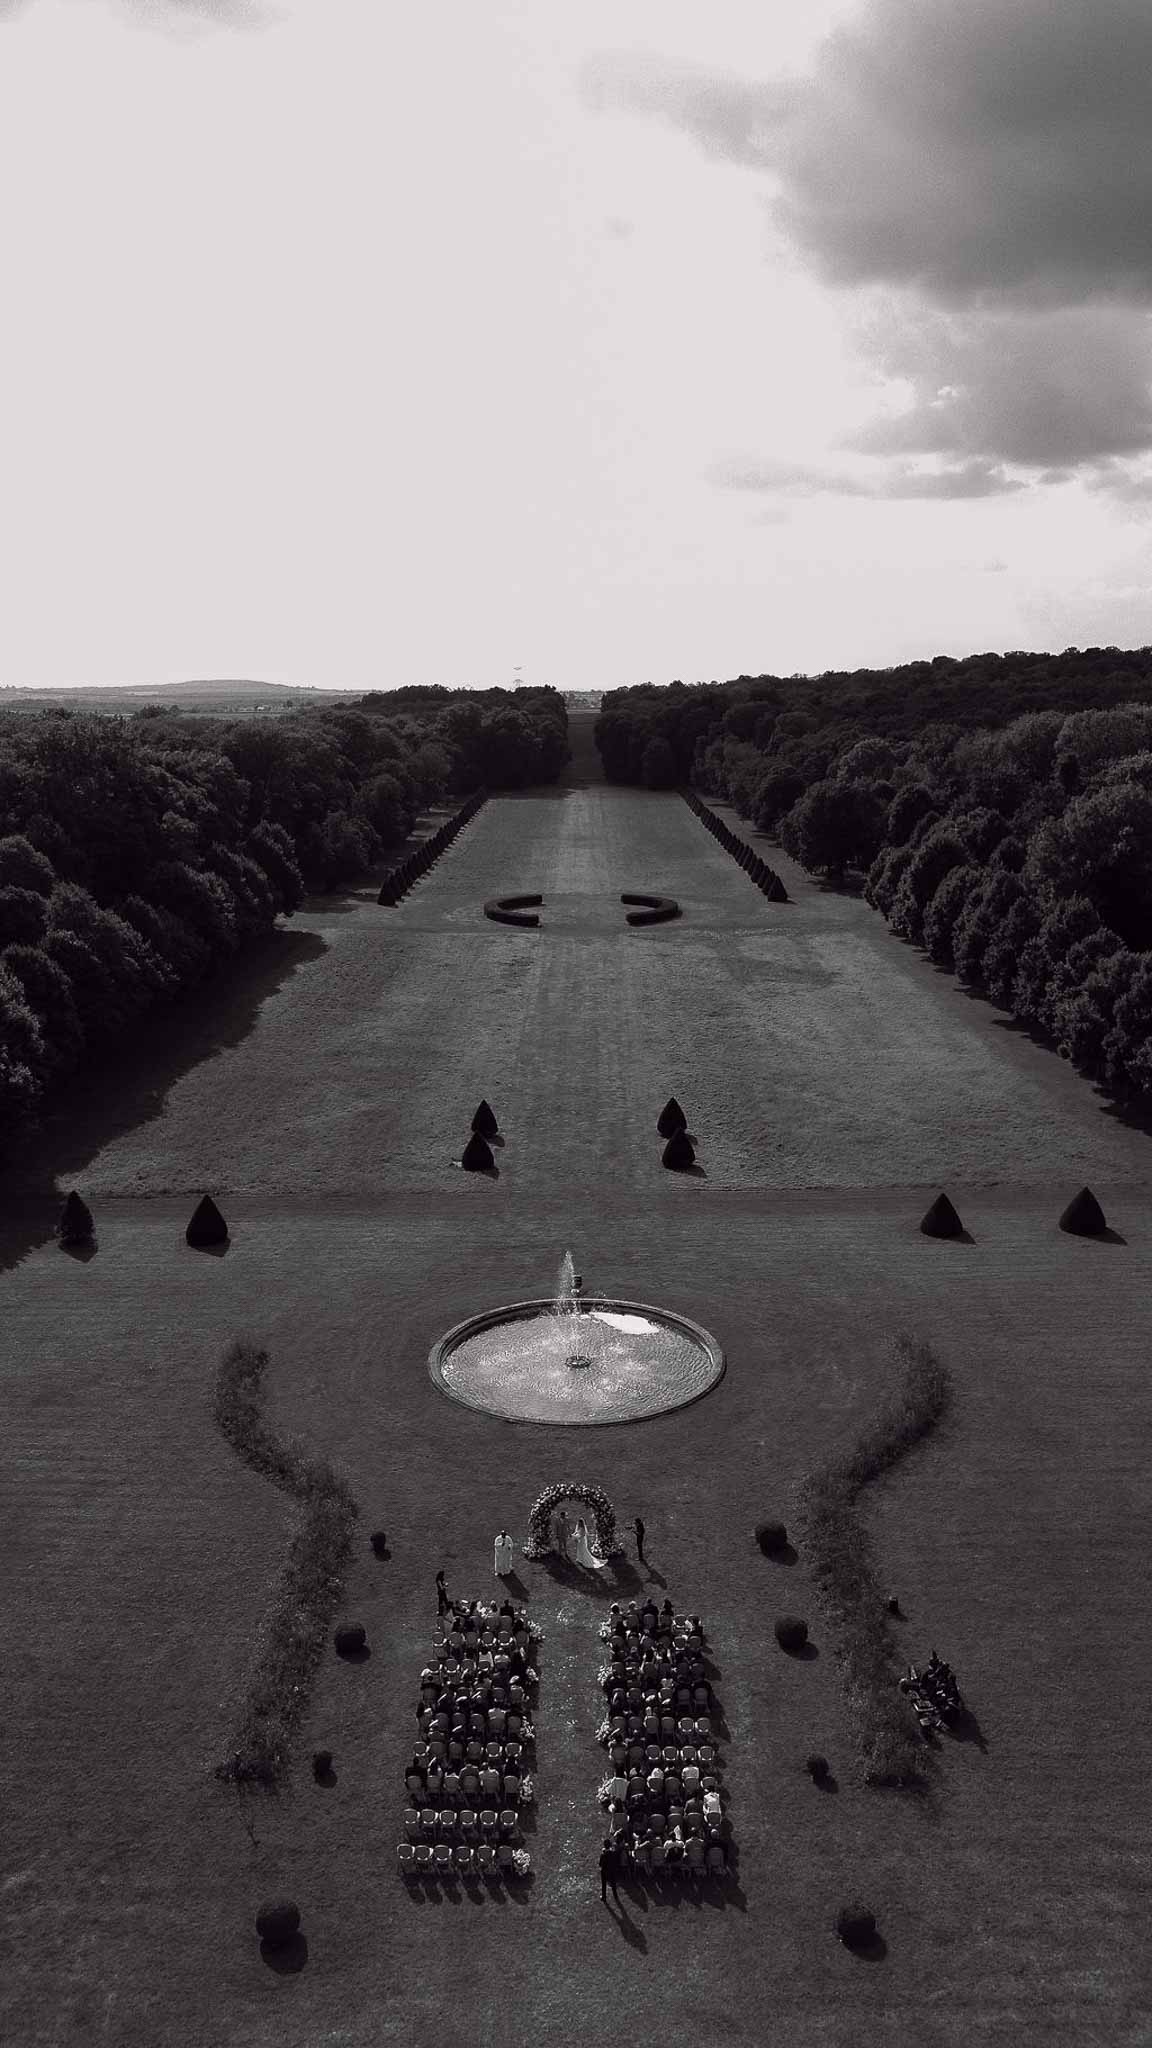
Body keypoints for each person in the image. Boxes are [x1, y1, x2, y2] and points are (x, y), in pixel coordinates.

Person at [599, 1836, 621, 1904]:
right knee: (613, 1883)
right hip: (612, 1870)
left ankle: (604, 1896)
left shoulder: (603, 1854)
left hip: (605, 1871)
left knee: (604, 1884)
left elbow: (600, 1864)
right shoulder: (613, 1853)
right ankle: (615, 1896)